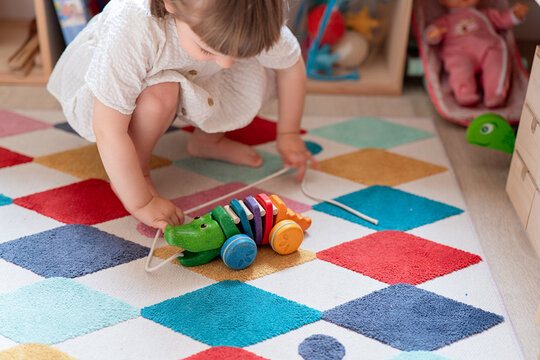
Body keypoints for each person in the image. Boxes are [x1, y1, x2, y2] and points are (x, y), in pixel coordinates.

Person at [47, 0, 318, 232]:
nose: (227, 62)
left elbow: (291, 65)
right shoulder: (133, 25)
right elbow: (108, 128)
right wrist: (140, 201)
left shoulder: (248, 15)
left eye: (237, 54)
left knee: (251, 72)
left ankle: (206, 142)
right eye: (209, 50)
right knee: (161, 94)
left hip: (194, 75)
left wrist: (289, 134)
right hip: (127, 88)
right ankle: (137, 171)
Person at [424, 0, 528, 108]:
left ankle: (495, 94)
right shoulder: (446, 20)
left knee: (496, 63)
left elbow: (502, 19)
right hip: (459, 53)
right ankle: (464, 92)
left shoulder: (484, 14)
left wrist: (515, 15)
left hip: (487, 48)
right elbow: (429, 33)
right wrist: (433, 34)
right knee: (459, 69)